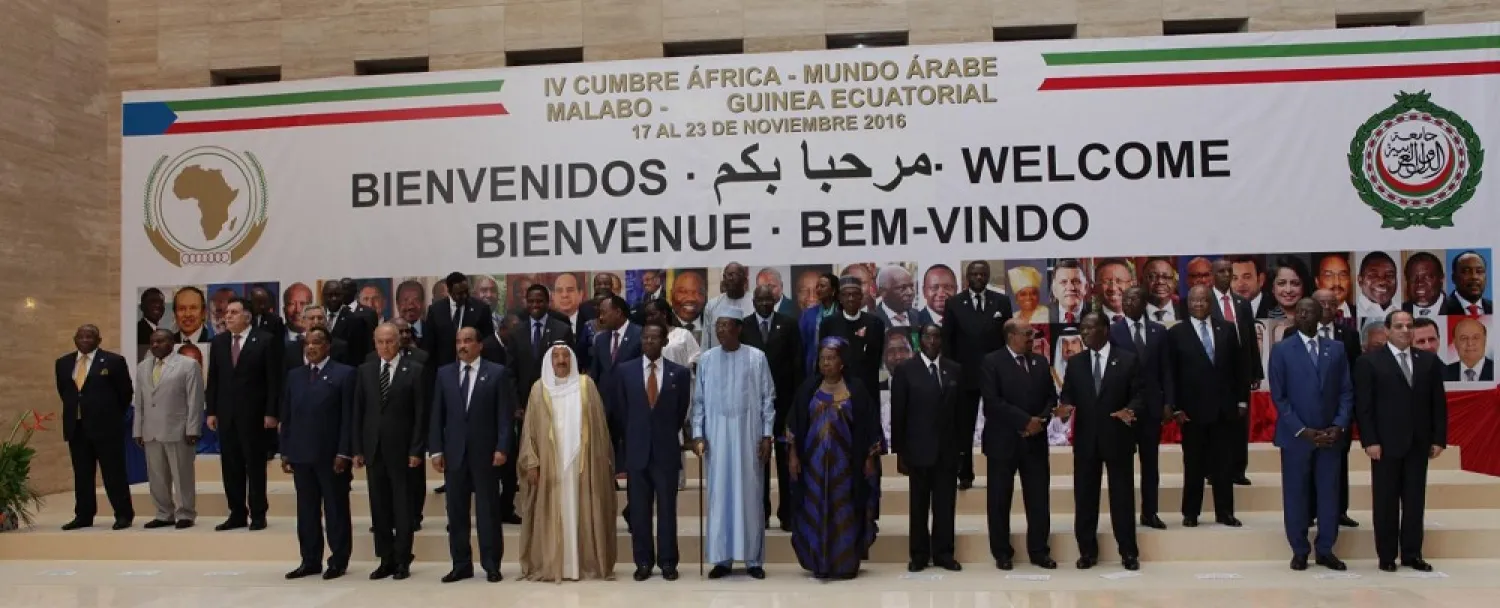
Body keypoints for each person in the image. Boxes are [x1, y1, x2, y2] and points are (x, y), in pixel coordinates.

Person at [1356, 311, 1447, 573]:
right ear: (1387, 330)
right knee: (1385, 502)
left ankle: (1412, 553)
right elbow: (1364, 407)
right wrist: (1369, 440)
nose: (1405, 330)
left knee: (1414, 500)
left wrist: (1439, 438)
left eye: (1408, 326)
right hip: (1385, 444)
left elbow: (1437, 404)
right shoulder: (1370, 363)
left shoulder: (1428, 362)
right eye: (1398, 326)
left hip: (1419, 443)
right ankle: (1386, 555)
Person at [517, 344, 618, 581]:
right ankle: (554, 565)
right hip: (550, 463)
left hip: (582, 463)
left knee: (581, 508)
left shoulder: (586, 386)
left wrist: (600, 462)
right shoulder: (538, 389)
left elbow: (600, 428)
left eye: (565, 355)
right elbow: (529, 429)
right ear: (548, 362)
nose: (561, 360)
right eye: (556, 356)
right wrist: (532, 461)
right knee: (553, 510)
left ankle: (583, 564)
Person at [1268, 298, 1354, 572]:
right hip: (1297, 437)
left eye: (1310, 311)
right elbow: (1279, 397)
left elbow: (1346, 391)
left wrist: (1338, 425)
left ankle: (1326, 549)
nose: (1304, 314)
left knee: (1329, 495)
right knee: (1296, 495)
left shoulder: (1337, 349)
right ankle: (1300, 550)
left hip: (1330, 437)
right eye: (1301, 311)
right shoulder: (1281, 350)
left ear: (1320, 316)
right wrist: (1302, 430)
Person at [787, 337, 883, 580]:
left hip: (847, 470)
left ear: (842, 362)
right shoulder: (808, 389)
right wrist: (793, 456)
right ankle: (818, 562)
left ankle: (845, 564)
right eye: (822, 359)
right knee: (815, 513)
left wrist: (869, 460)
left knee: (844, 513)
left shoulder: (857, 391)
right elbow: (794, 427)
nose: (826, 363)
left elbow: (870, 428)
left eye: (831, 358)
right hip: (813, 470)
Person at [692, 310, 777, 579]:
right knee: (720, 496)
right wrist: (698, 434)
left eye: (726, 326)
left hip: (748, 436)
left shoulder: (756, 358)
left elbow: (767, 399)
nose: (720, 331)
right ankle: (722, 559)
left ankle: (754, 560)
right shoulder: (706, 360)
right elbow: (699, 402)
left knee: (750, 495)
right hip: (716, 439)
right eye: (718, 326)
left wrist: (766, 435)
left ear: (739, 328)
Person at [1058, 311, 1143, 571]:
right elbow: (1068, 396)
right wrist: (1064, 408)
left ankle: (1128, 552)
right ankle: (1087, 551)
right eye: (1082, 329)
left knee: (1122, 498)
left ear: (1105, 330)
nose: (1083, 334)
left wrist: (1131, 410)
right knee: (1085, 497)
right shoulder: (1076, 363)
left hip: (1117, 438)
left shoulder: (1127, 360)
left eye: (1088, 329)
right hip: (1086, 441)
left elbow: (1141, 395)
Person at [430, 328, 516, 583]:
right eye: (458, 341)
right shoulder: (444, 374)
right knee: (456, 512)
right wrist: (436, 449)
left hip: (485, 454)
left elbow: (504, 416)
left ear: (479, 345)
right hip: (454, 453)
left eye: (468, 341)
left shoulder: (496, 373)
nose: (462, 346)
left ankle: (491, 564)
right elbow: (437, 416)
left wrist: (502, 447)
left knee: (488, 511)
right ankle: (461, 564)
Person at [610, 323, 693, 581]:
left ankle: (668, 562)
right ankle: (643, 562)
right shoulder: (625, 371)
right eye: (645, 338)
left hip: (666, 452)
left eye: (655, 338)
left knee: (667, 511)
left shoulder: (678, 374)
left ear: (664, 341)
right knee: (639, 511)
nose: (649, 342)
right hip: (637, 450)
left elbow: (681, 411)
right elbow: (621, 411)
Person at [277, 327, 356, 580]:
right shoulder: (294, 376)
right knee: (307, 512)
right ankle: (310, 560)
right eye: (307, 343)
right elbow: (287, 416)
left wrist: (344, 451)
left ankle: (338, 560)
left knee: (335, 510)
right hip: (301, 454)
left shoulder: (344, 374)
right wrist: (285, 451)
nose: (311, 347)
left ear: (328, 346)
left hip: (331, 455)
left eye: (317, 343)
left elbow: (348, 418)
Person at [980, 318, 1057, 569]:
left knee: (1038, 499)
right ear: (1011, 335)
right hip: (1003, 443)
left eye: (1032, 334)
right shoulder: (992, 362)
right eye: (1026, 334)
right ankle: (1002, 552)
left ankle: (1039, 551)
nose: (1031, 338)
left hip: (1035, 443)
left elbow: (1050, 397)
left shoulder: (1040, 361)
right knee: (1000, 500)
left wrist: (1040, 420)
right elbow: (992, 403)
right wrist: (1025, 421)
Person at [353, 324, 428, 580]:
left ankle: (403, 559)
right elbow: (358, 412)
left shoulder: (415, 371)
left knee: (402, 507)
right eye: (380, 342)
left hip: (404, 450)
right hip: (374, 449)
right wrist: (358, 449)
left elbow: (420, 414)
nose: (385, 346)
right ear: (374, 343)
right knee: (380, 507)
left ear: (399, 342)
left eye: (390, 341)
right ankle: (385, 558)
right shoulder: (365, 371)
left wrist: (417, 448)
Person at [1283, 289, 1363, 529]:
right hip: (1304, 419)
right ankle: (1307, 513)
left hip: (1336, 416)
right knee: (1305, 469)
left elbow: (1352, 377)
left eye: (1331, 303)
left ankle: (1339, 512)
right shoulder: (1290, 335)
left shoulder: (1348, 335)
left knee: (1338, 466)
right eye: (1322, 303)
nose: (1327, 307)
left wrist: (1343, 418)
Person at [1167, 286, 1245, 527]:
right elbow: (1171, 374)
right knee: (1194, 464)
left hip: (1224, 409)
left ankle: (1225, 512)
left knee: (1224, 464)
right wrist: (1175, 407)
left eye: (1203, 300)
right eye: (1194, 300)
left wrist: (1241, 401)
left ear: (1211, 302)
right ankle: (1191, 513)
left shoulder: (1228, 330)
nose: (1199, 304)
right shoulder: (1177, 333)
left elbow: (1239, 369)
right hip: (1192, 412)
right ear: (1187, 303)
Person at [206, 297, 283, 531]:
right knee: (230, 466)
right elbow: (214, 380)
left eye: (233, 312)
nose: (227, 316)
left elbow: (274, 380)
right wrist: (211, 411)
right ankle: (237, 512)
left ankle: (258, 513)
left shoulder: (265, 341)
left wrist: (272, 412)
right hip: (227, 414)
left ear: (247, 316)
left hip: (255, 415)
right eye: (226, 312)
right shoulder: (219, 342)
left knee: (255, 465)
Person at [890, 325, 962, 572]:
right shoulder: (905, 370)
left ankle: (944, 553)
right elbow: (898, 413)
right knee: (919, 506)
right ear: (919, 340)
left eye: (936, 336)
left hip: (947, 451)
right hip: (917, 450)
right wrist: (900, 453)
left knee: (945, 505)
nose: (932, 340)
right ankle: (919, 555)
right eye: (927, 336)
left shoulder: (954, 369)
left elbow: (959, 414)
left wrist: (961, 451)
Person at [56, 324, 135, 531]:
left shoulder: (113, 361)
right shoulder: (63, 363)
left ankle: (123, 514)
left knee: (113, 473)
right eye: (80, 336)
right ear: (74, 339)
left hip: (106, 428)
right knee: (82, 474)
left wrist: (110, 415)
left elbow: (125, 393)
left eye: (89, 337)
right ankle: (83, 515)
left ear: (98, 340)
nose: (84, 340)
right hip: (77, 428)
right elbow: (65, 393)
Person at [942, 261, 1013, 489]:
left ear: (988, 276)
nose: (978, 277)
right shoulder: (954, 303)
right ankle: (965, 473)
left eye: (982, 273)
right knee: (964, 427)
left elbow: (1009, 338)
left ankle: (1001, 469)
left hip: (996, 374)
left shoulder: (1001, 301)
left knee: (999, 424)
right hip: (965, 375)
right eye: (974, 273)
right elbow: (948, 341)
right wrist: (950, 374)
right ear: (967, 276)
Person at [1109, 286, 1173, 529]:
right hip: (1125, 408)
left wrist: (1169, 402)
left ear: (1145, 302)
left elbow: (1166, 369)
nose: (1128, 302)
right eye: (1125, 299)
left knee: (1151, 464)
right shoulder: (1113, 331)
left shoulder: (1159, 332)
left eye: (1134, 298)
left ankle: (1150, 512)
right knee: (1123, 466)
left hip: (1152, 408)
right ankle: (1125, 515)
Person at [740, 285, 804, 531]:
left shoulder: (788, 324)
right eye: (761, 299)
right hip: (754, 406)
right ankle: (761, 512)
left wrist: (797, 403)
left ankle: (787, 514)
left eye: (769, 299)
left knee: (786, 462)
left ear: (776, 300)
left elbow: (798, 363)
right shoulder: (744, 326)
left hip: (784, 403)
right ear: (753, 301)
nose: (765, 303)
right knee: (759, 463)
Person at [134, 329, 203, 529]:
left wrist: (193, 428)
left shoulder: (188, 365)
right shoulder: (143, 367)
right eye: (153, 342)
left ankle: (185, 513)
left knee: (182, 475)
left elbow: (195, 399)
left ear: (172, 343)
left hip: (178, 429)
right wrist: (137, 430)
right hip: (151, 430)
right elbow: (139, 402)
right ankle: (164, 513)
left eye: (160, 341)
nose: (155, 345)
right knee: (157, 476)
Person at [1211, 258, 1263, 486]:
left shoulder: (1242, 304)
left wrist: (1255, 371)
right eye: (1221, 272)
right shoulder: (1204, 301)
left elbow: (1251, 338)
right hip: (1214, 373)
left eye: (1228, 272)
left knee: (1240, 423)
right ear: (1213, 275)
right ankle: (1214, 471)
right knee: (1216, 423)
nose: (1226, 276)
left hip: (1240, 371)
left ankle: (1238, 470)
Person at [421, 271, 497, 370]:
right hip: (444, 369)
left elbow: (488, 342)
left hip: (473, 367)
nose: (465, 296)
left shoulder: (481, 309)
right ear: (449, 291)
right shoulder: (435, 310)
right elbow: (429, 345)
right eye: (460, 293)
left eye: (466, 291)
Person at [702, 263, 753, 349]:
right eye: (726, 276)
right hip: (718, 359)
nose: (729, 278)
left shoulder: (754, 303)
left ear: (744, 279)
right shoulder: (712, 305)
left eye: (733, 275)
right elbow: (706, 342)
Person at [321, 280, 372, 364]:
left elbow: (359, 353)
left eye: (337, 295)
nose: (334, 298)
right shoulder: (317, 316)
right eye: (330, 295)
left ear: (342, 295)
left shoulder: (355, 320)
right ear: (323, 296)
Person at [798, 272, 840, 372]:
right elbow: (800, 345)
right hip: (814, 368)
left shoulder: (841, 312)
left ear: (833, 290)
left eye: (822, 286)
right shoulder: (808, 314)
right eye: (818, 286)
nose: (818, 290)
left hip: (838, 367)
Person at [1441, 251, 1492, 315]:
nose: (1474, 277)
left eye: (1479, 271)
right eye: (1466, 272)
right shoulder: (1442, 309)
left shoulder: (1494, 307)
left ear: (1486, 277)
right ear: (1454, 278)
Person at [1443, 317, 1494, 381]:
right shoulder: (1443, 374)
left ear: (1485, 340)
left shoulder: (1497, 369)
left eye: (1476, 338)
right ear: (1455, 343)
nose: (1470, 343)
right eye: (1464, 338)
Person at [1356, 252, 1401, 319]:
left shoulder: (1402, 310)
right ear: (1360, 281)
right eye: (1373, 275)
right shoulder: (1354, 311)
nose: (1382, 281)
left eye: (1389, 275)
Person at [1402, 252, 1447, 318]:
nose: (1419, 283)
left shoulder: (1457, 310)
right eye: (1412, 277)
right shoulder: (1399, 311)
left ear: (1441, 278)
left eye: (1427, 277)